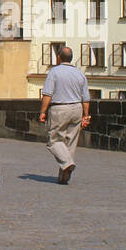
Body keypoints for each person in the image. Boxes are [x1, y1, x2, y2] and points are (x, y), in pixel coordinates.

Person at [38, 45, 90, 183]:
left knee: (53, 141)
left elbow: (47, 94)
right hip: (77, 108)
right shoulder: (80, 74)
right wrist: (86, 115)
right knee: (70, 142)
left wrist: (43, 112)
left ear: (59, 57)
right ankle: (64, 176)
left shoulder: (54, 72)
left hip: (60, 108)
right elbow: (86, 98)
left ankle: (67, 164)